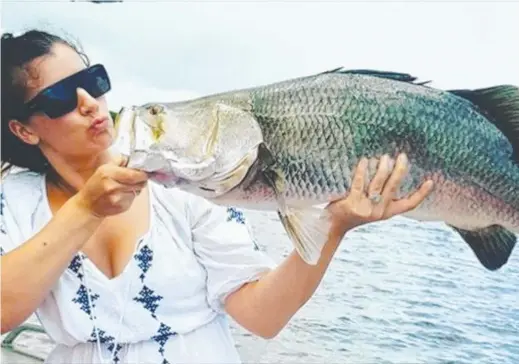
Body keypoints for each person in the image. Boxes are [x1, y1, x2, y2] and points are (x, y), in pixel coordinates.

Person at [0, 29, 434, 364]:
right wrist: (84, 210)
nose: (90, 103)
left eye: (92, 81)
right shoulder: (15, 203)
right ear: (23, 129)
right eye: (59, 98)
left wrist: (334, 226)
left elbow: (261, 318)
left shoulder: (185, 182)